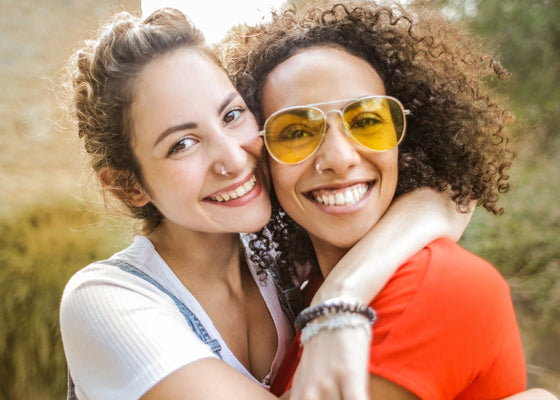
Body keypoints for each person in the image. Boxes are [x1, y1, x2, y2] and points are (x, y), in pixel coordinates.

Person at [59, 7, 478, 400]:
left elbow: (454, 199)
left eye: (231, 116)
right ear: (128, 186)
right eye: (182, 144)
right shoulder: (106, 299)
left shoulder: (284, 257)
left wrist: (341, 293)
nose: (235, 158)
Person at [223, 0, 559, 398]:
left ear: (406, 141)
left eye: (366, 121)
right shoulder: (303, 286)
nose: (339, 158)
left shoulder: (434, 286)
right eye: (296, 132)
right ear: (263, 158)